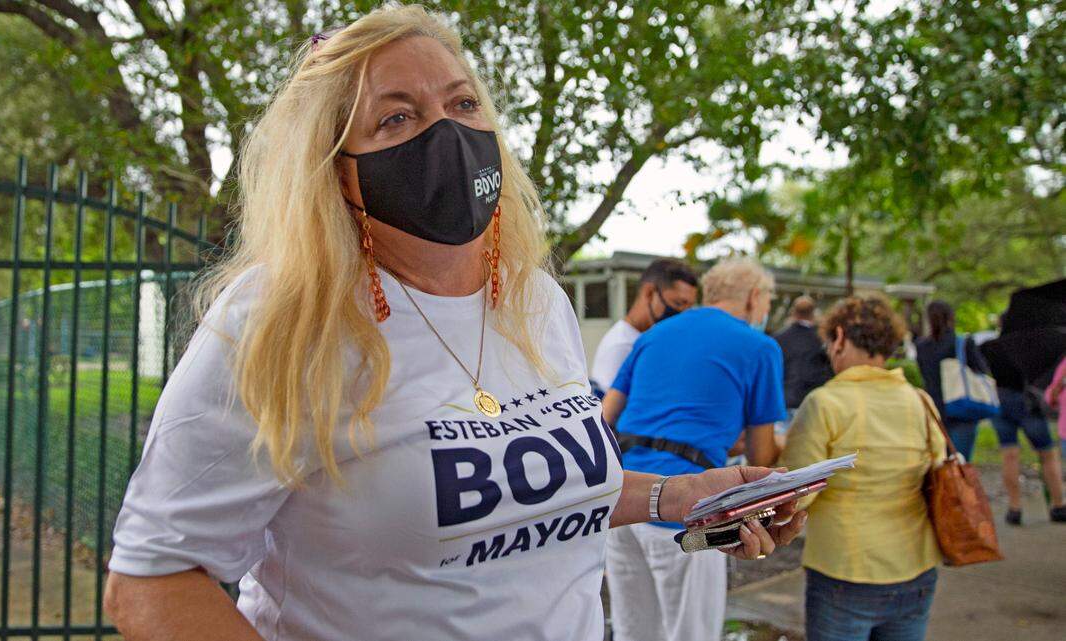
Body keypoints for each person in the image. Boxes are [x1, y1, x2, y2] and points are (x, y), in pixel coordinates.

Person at [100, 8, 804, 641]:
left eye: (463, 103)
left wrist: (678, 496)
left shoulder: (534, 303)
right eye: (396, 117)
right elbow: (151, 580)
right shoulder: (281, 323)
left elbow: (533, 490)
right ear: (340, 173)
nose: (446, 133)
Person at [601, 257, 786, 641]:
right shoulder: (760, 347)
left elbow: (605, 416)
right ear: (754, 297)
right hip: (688, 509)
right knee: (692, 633)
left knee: (633, 632)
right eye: (767, 302)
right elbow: (762, 459)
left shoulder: (654, 334)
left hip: (624, 501)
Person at [780, 296, 946, 641]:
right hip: (916, 567)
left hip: (846, 569)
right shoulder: (919, 400)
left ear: (839, 337)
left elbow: (795, 497)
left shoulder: (825, 403)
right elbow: (938, 471)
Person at [589, 258, 697, 398]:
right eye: (678, 303)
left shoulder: (649, 337)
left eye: (689, 307)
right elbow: (609, 412)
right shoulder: (623, 346)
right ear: (649, 293)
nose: (684, 314)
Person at [915, 299, 990, 461]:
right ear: (950, 317)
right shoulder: (962, 343)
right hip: (961, 407)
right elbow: (982, 370)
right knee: (960, 463)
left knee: (938, 464)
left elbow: (924, 375)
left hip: (934, 410)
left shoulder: (921, 346)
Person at [992, 382, 1066, 525]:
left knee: (1009, 454)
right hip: (1029, 398)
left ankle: (1014, 509)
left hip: (999, 395)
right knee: (1047, 453)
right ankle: (1058, 505)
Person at [772, 295, 833, 421]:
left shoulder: (779, 338)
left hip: (786, 400)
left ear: (793, 312)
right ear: (813, 313)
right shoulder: (823, 339)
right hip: (815, 403)